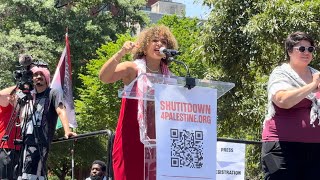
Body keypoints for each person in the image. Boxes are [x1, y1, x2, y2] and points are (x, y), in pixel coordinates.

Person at [99, 25, 178, 180]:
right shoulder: (132, 68)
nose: (159, 44)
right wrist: (121, 52)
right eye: (154, 40)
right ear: (144, 45)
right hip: (131, 140)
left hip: (160, 143)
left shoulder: (172, 78)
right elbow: (104, 77)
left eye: (163, 42)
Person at [261, 31, 320, 180]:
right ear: (289, 51)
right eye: (301, 49)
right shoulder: (280, 74)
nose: (306, 52)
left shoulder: (317, 75)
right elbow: (283, 101)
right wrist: (313, 85)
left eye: (310, 49)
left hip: (315, 150)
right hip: (280, 148)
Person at [17, 66, 77, 180]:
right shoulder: (30, 95)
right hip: (26, 141)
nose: (38, 77)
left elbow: (60, 110)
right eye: (35, 75)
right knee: (23, 176)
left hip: (40, 141)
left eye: (42, 74)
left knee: (34, 175)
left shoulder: (53, 93)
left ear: (47, 78)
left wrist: (67, 130)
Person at [0, 86, 21, 180]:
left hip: (20, 147)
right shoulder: (6, 106)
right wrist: (18, 85)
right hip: (5, 147)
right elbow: (1, 94)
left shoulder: (24, 108)